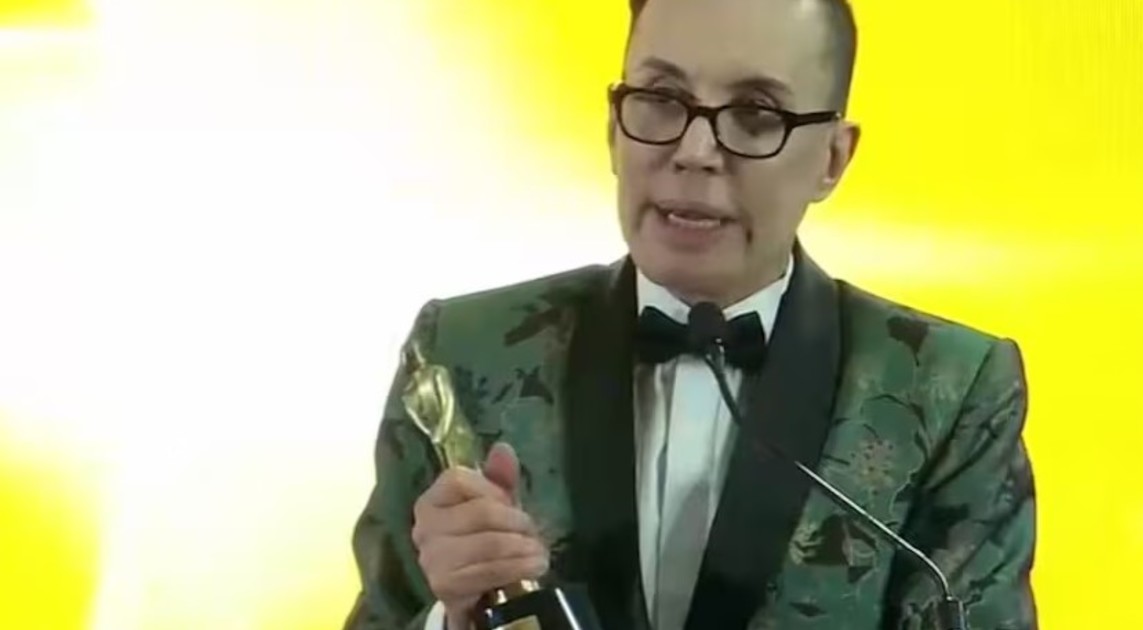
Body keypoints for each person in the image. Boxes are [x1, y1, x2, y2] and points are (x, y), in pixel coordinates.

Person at [342, 0, 1038, 628]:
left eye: (756, 115)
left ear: (832, 158)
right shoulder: (460, 356)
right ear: (613, 127)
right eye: (661, 99)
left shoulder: (952, 388)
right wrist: (453, 618)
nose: (694, 152)